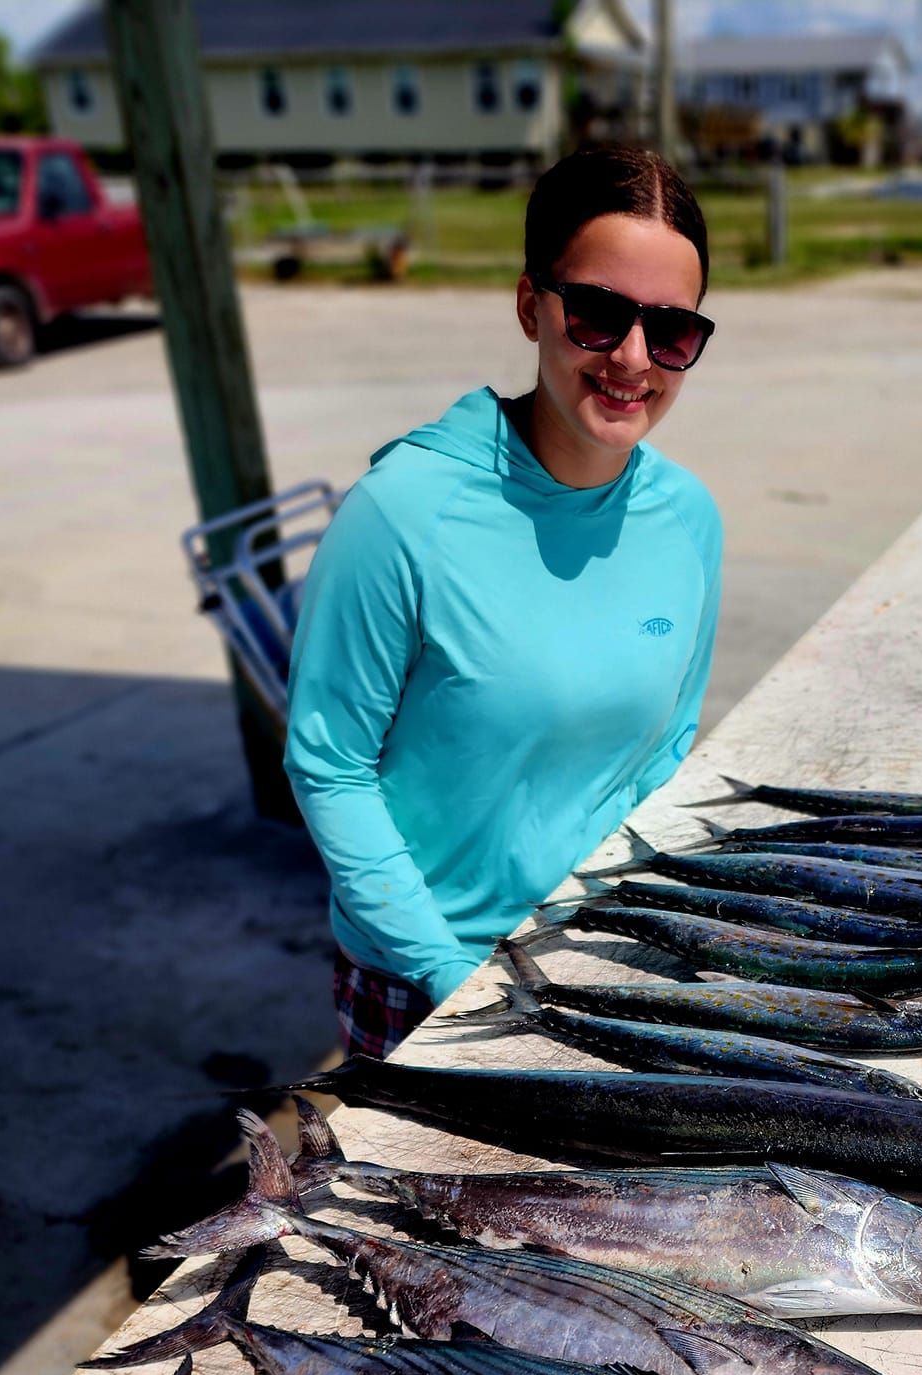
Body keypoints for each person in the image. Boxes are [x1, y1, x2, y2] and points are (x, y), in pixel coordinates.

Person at [285, 145, 722, 1058]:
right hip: (429, 984)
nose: (635, 359)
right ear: (532, 306)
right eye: (599, 315)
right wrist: (455, 982)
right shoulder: (402, 514)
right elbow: (329, 765)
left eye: (673, 331)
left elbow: (666, 749)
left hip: (603, 969)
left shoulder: (689, 520)